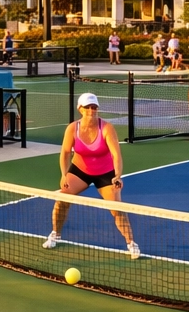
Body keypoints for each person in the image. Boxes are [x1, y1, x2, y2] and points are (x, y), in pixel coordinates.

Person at [42, 92, 141, 259]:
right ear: (80, 109)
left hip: (106, 173)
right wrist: (64, 175)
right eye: (87, 107)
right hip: (80, 171)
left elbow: (116, 155)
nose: (91, 110)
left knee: (117, 209)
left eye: (94, 107)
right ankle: (55, 234)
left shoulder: (107, 128)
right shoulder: (73, 128)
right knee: (62, 200)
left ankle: (131, 243)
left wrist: (117, 176)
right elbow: (65, 153)